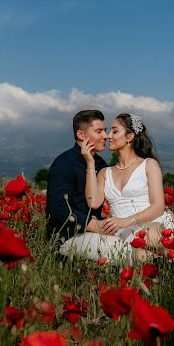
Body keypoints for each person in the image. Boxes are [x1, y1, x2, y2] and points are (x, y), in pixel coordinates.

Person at [82, 113, 174, 261]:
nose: (108, 136)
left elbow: (158, 206)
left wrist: (124, 221)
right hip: (123, 232)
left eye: (114, 131)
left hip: (152, 224)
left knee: (149, 236)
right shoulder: (104, 173)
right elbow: (93, 202)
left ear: (130, 137)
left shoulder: (148, 165)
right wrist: (90, 163)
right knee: (147, 245)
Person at [46, 110, 131, 261]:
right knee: (123, 249)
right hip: (67, 236)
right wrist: (94, 225)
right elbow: (58, 208)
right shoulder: (63, 164)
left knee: (132, 238)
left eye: (105, 130)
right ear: (81, 135)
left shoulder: (101, 164)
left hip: (97, 231)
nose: (106, 136)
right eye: (99, 131)